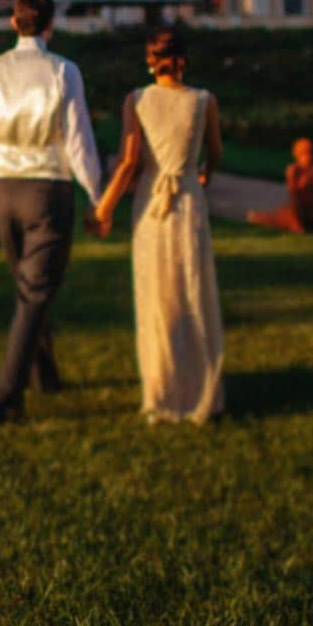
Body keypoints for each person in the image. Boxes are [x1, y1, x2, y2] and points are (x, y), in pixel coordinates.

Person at [0, 0, 102, 426]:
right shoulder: (63, 71)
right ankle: (6, 397)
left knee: (28, 292)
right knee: (34, 293)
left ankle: (46, 375)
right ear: (49, 26)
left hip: (3, 188)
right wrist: (97, 194)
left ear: (12, 22)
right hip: (47, 188)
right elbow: (79, 142)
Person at [88, 28, 225, 425]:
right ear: (184, 59)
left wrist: (104, 208)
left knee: (156, 298)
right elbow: (215, 151)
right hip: (187, 202)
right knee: (193, 291)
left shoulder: (138, 99)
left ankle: (162, 393)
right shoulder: (203, 100)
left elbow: (130, 162)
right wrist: (205, 174)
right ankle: (202, 390)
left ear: (150, 60)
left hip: (151, 205)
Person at [246, 137, 313, 234]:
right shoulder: (294, 170)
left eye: (310, 152)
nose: (308, 156)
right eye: (304, 153)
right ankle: (257, 218)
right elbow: (293, 196)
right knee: (272, 219)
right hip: (298, 213)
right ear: (297, 155)